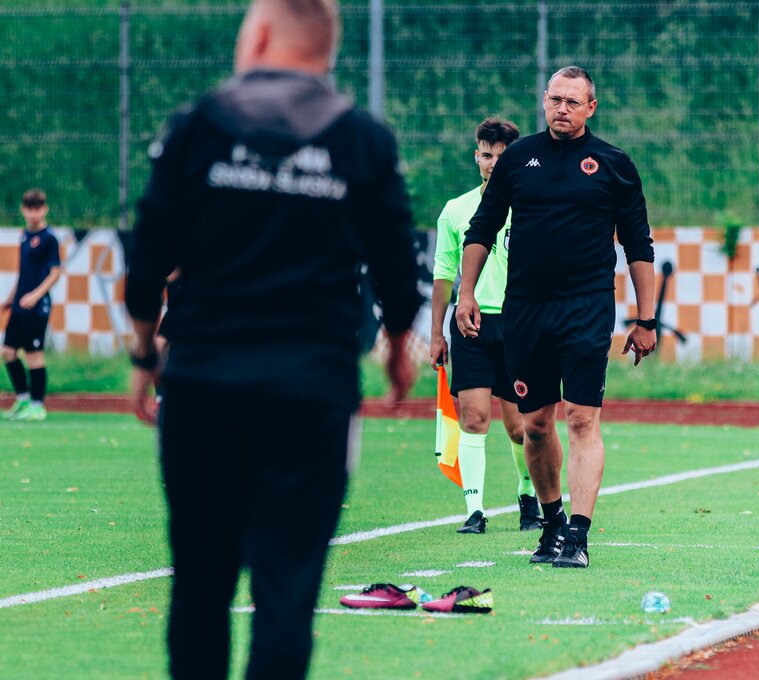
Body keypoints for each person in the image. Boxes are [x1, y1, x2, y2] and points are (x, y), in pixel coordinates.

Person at [124, 0, 422, 677]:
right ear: (328, 47)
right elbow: (395, 260)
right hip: (312, 391)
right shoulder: (363, 139)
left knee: (200, 584)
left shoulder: (197, 125)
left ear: (258, 34)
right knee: (287, 590)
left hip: (203, 383)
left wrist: (144, 352)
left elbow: (149, 256)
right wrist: (398, 350)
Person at [456, 66, 657, 569]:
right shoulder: (518, 158)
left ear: (591, 107)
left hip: (587, 308)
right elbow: (482, 228)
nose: (561, 109)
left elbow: (638, 245)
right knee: (536, 425)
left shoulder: (613, 164)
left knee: (582, 418)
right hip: (525, 310)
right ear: (544, 101)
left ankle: (579, 536)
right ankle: (551, 524)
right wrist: (466, 294)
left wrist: (647, 319)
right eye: (554, 99)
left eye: (572, 101)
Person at [429, 117, 542, 534]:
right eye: (486, 155)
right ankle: (474, 511)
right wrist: (436, 334)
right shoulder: (455, 210)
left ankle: (527, 494)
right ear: (476, 157)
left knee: (521, 427)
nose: (493, 163)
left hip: (519, 326)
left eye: (501, 156)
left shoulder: (532, 206)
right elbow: (444, 274)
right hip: (470, 324)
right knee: (474, 419)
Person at [2, 189, 61, 422]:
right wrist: (10, 297)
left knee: (34, 355)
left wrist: (35, 296)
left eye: (38, 208)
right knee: (8, 352)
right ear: (23, 210)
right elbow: (23, 272)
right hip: (20, 305)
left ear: (45, 209)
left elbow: (55, 273)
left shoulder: (49, 238)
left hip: (38, 307)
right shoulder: (24, 235)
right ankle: (23, 399)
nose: (34, 213)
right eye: (30, 209)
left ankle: (38, 406)